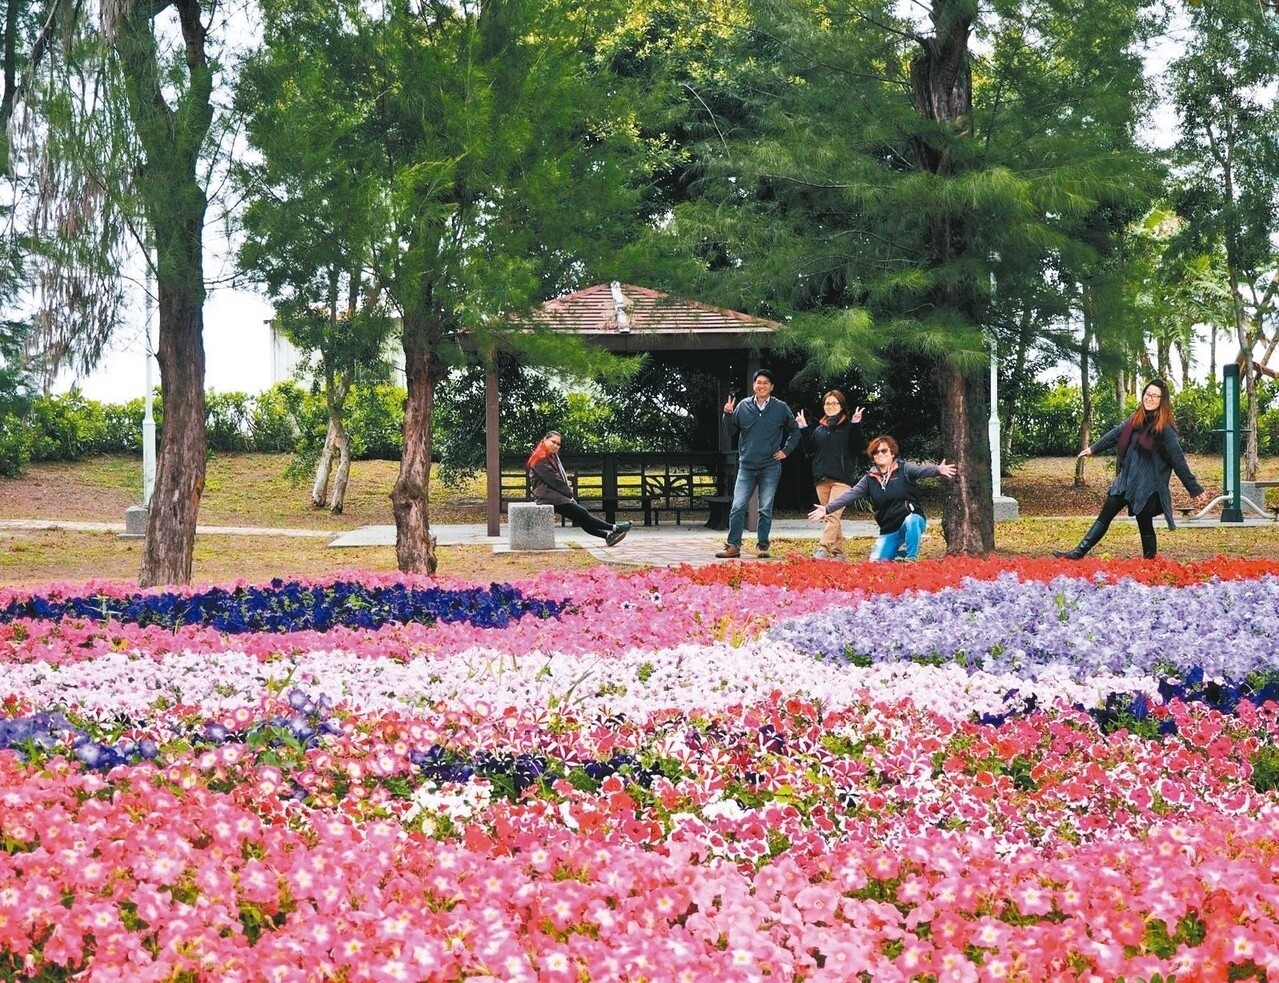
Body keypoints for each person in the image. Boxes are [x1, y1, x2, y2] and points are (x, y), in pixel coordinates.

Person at [1053, 379, 1211, 560]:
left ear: (1162, 400)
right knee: (1105, 516)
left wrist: (1194, 488)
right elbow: (1116, 433)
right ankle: (1078, 553)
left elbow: (1178, 460)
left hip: (1147, 486)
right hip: (1126, 480)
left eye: (1155, 396)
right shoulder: (1136, 419)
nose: (1150, 399)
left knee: (1145, 524)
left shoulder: (1165, 430)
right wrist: (1093, 449)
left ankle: (1149, 564)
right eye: (1147, 394)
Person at [807, 435, 957, 562]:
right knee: (876, 563)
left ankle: (911, 558)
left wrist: (938, 470)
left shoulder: (904, 469)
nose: (880, 454)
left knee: (913, 520)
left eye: (884, 450)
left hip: (909, 521)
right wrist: (827, 508)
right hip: (889, 530)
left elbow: (920, 471)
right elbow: (850, 495)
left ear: (892, 453)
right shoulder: (869, 479)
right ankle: (898, 552)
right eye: (876, 452)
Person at [715, 369, 801, 559]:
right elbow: (730, 431)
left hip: (770, 465)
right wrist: (727, 415)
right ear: (753, 385)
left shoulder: (780, 408)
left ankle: (763, 546)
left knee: (765, 508)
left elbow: (795, 431)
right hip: (747, 466)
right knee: (737, 506)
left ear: (772, 387)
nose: (761, 386)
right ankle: (733, 546)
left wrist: (785, 451)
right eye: (758, 382)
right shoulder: (743, 406)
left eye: (765, 383)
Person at [527, 431, 632, 547]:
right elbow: (554, 481)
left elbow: (558, 479)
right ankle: (615, 528)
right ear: (545, 440)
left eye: (558, 444)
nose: (556, 446)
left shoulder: (550, 455)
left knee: (581, 517)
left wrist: (567, 494)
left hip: (554, 495)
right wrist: (569, 493)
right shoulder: (539, 458)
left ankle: (608, 536)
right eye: (553, 442)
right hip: (547, 496)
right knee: (582, 513)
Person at [796, 390, 865, 560]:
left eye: (834, 403)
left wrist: (856, 424)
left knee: (832, 515)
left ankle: (823, 548)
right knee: (831, 517)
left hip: (842, 479)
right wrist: (803, 428)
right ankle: (839, 553)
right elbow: (809, 450)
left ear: (841, 406)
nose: (830, 406)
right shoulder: (820, 429)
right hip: (822, 479)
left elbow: (858, 448)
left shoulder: (849, 427)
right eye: (827, 403)